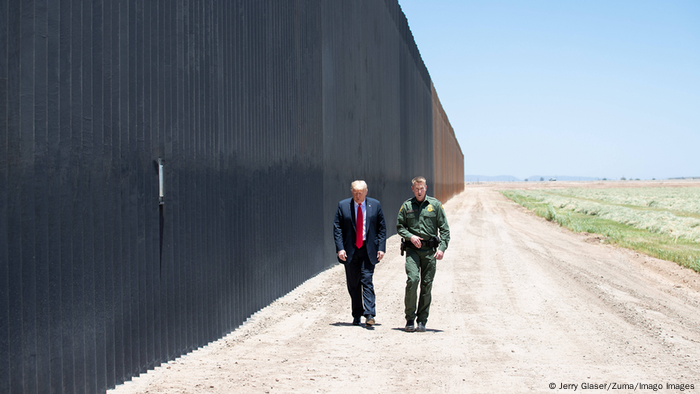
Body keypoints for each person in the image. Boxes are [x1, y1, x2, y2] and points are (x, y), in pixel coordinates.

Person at [396, 176, 450, 332]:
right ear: (412, 189)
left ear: (426, 188)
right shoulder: (407, 206)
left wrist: (442, 248)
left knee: (426, 285)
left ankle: (422, 320)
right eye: (416, 188)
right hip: (413, 250)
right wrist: (410, 236)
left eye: (422, 188)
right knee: (413, 280)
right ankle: (410, 319)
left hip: (430, 253)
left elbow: (445, 230)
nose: (419, 191)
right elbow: (400, 226)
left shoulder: (435, 205)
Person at [333, 180, 387, 326]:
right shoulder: (343, 206)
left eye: (361, 193)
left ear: (366, 192)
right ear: (352, 192)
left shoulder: (375, 205)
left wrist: (381, 248)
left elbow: (382, 228)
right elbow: (337, 228)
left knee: (367, 279)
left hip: (368, 249)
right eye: (355, 193)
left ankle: (369, 313)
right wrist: (340, 248)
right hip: (350, 250)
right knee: (353, 283)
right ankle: (357, 314)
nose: (358, 196)